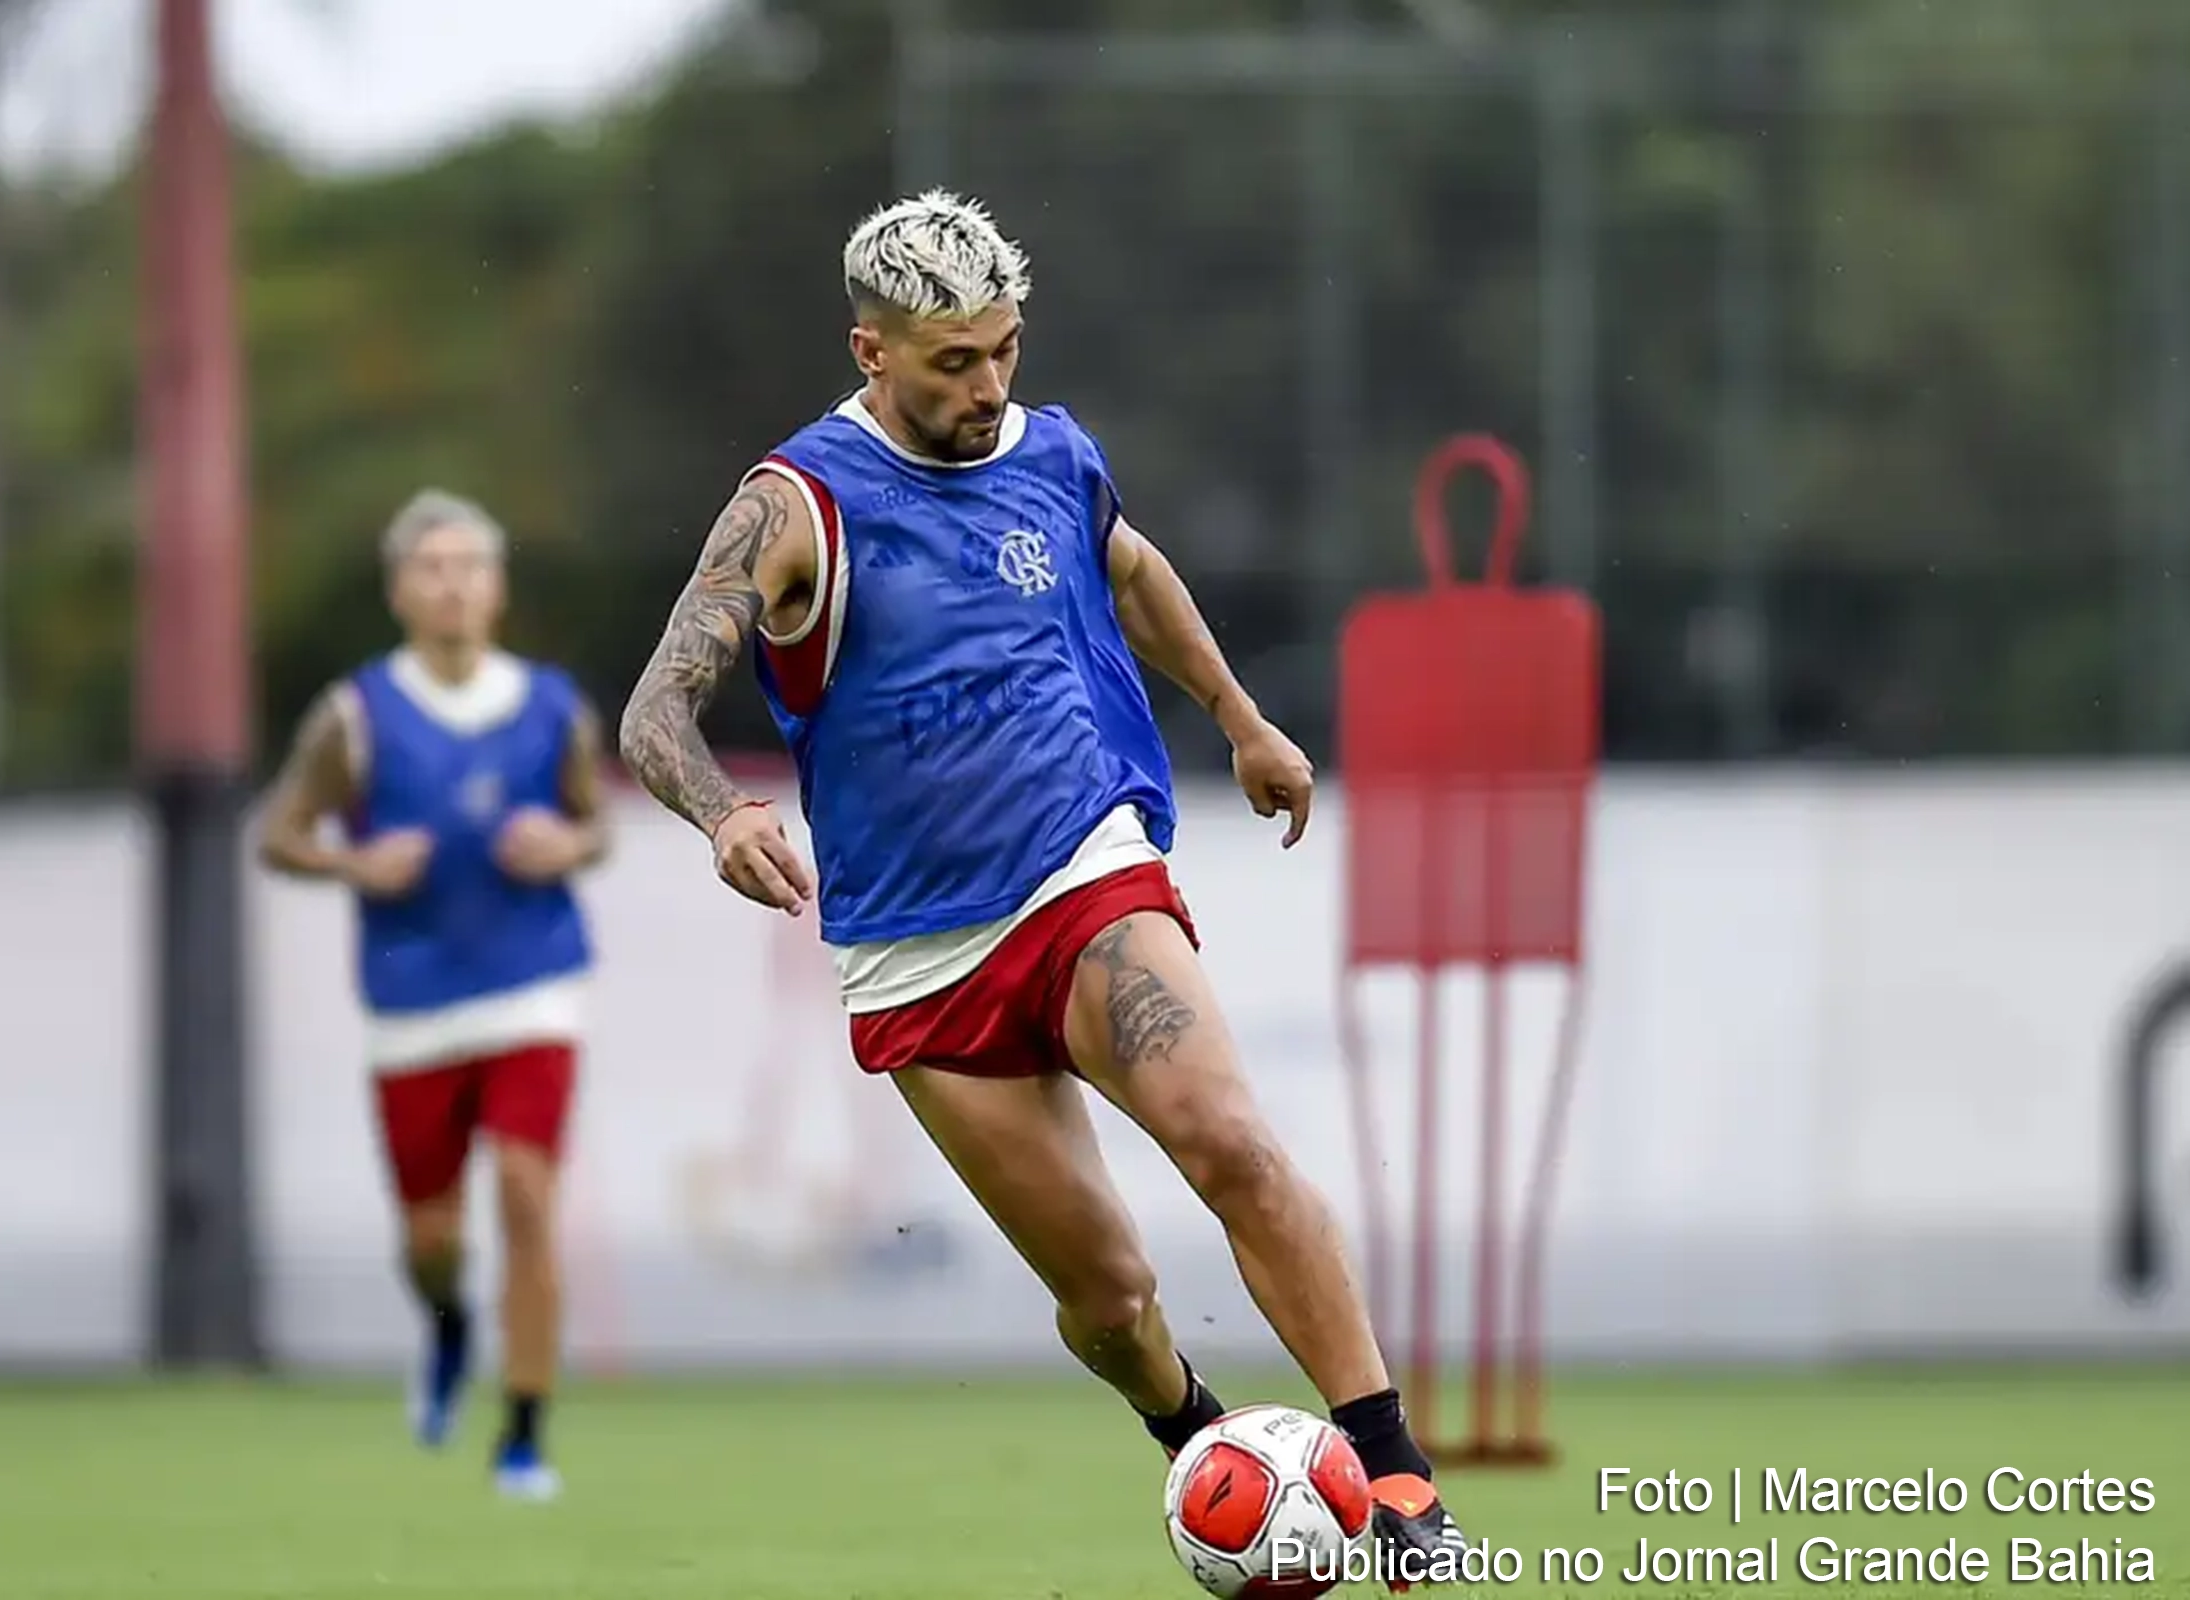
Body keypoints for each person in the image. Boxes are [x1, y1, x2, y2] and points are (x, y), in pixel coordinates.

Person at [616, 191, 1468, 1586]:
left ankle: (1399, 1482)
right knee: (1110, 1297)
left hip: (1083, 872)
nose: (988, 384)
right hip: (914, 956)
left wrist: (1241, 718)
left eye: (1004, 350)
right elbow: (657, 708)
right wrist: (718, 815)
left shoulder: (1055, 456)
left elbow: (1128, 572)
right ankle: (1209, 1454)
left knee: (1230, 1144)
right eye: (954, 362)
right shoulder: (796, 505)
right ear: (872, 351)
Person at [257, 489, 610, 1503]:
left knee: (527, 1193)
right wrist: (353, 866)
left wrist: (566, 845)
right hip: (411, 1003)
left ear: (497, 589)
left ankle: (526, 1432)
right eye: (433, 567)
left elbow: (597, 827)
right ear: (399, 589)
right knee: (433, 1238)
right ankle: (450, 1325)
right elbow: (279, 834)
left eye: (470, 566)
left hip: (533, 985)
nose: (453, 585)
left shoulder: (549, 706)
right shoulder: (355, 715)